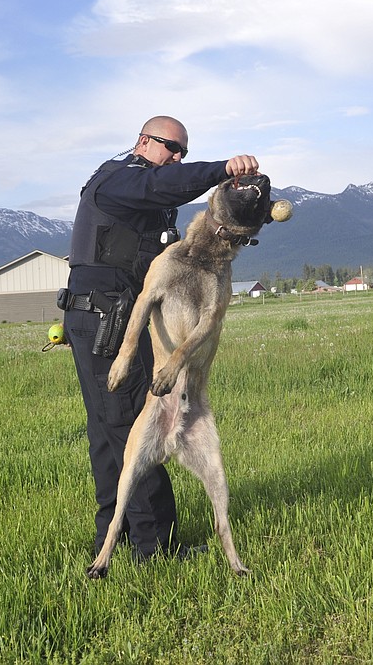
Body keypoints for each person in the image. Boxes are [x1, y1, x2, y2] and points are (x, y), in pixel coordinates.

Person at [64, 115, 260, 562]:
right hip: (104, 320)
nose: (176, 158)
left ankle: (114, 539)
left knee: (108, 434)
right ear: (142, 141)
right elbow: (163, 185)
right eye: (171, 147)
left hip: (99, 318)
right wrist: (222, 170)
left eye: (182, 153)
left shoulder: (144, 197)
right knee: (135, 424)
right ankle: (158, 549)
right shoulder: (119, 180)